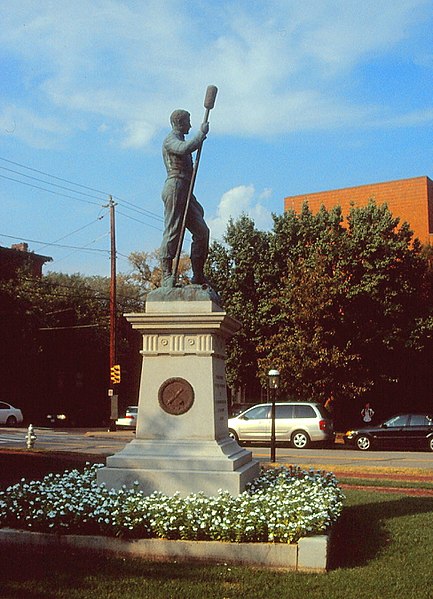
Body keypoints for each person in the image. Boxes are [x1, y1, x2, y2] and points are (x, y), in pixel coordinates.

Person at [160, 109, 210, 287]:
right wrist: (201, 134)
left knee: (202, 232)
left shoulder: (180, 139)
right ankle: (166, 275)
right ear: (179, 123)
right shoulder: (171, 139)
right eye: (188, 121)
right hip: (175, 187)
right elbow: (183, 149)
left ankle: (198, 275)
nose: (190, 125)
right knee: (173, 230)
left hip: (185, 189)